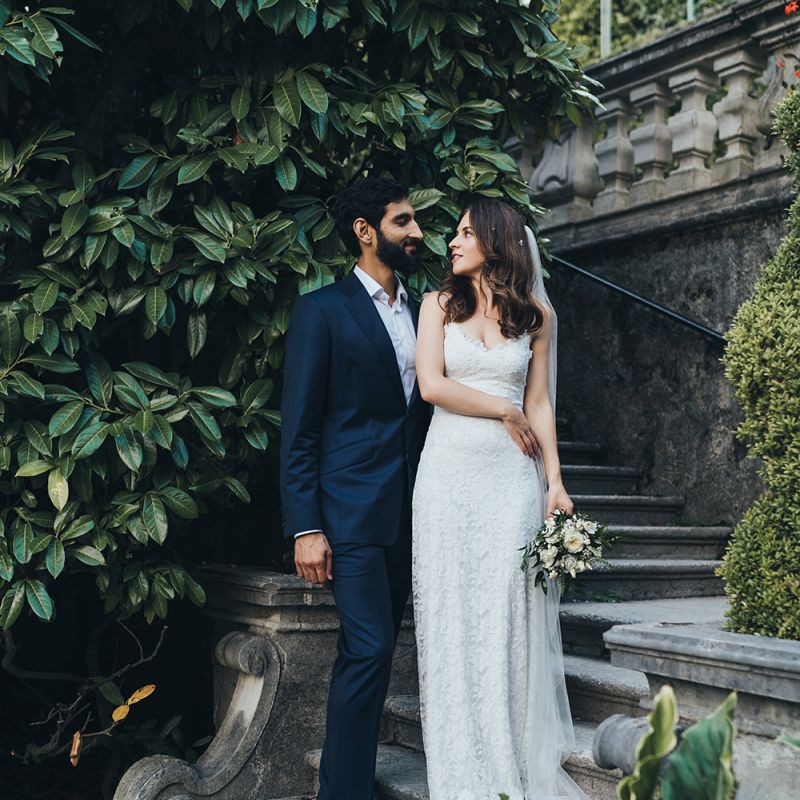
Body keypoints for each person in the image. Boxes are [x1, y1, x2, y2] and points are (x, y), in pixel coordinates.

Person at [412, 199, 587, 799]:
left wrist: (556, 483)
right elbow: (432, 385)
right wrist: (500, 407)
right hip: (448, 478)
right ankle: (459, 774)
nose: (453, 242)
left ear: (496, 239)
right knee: (452, 619)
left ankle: (509, 761)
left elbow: (540, 404)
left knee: (505, 619)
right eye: (455, 232)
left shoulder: (537, 315)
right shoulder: (437, 306)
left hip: (511, 481)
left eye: (464, 232)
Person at [280, 176, 431, 800]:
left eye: (414, 220)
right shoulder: (321, 311)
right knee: (369, 649)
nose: (417, 232)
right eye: (403, 221)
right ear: (366, 232)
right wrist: (306, 526)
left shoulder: (428, 312)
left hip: (411, 512)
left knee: (374, 651)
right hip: (347, 514)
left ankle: (349, 781)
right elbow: (300, 429)